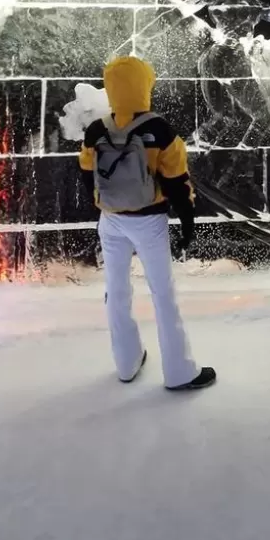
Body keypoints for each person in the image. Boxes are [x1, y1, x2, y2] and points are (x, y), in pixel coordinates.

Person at [78, 55, 217, 391]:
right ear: (144, 85)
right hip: (149, 221)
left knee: (117, 291)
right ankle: (180, 372)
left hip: (110, 220)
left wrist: (108, 203)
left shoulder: (96, 130)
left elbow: (86, 175)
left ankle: (126, 364)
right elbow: (177, 182)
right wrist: (187, 221)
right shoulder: (160, 130)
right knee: (162, 294)